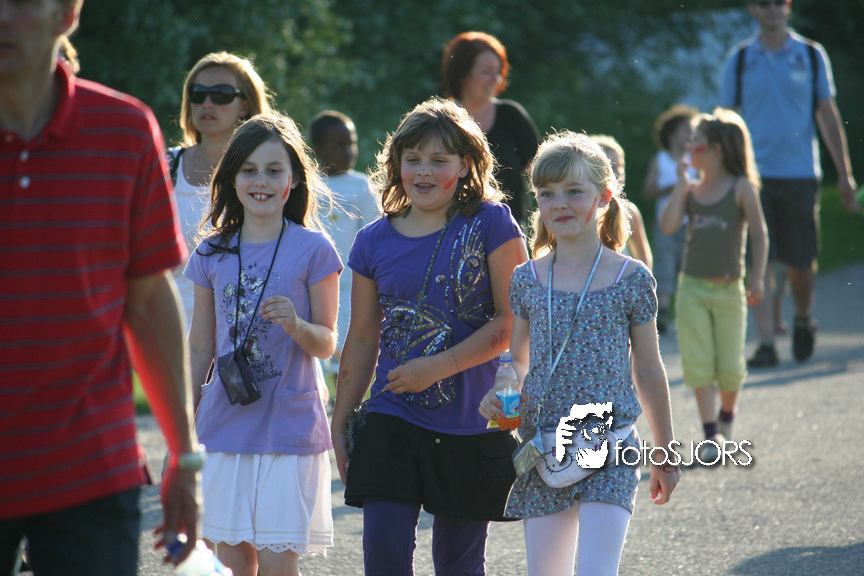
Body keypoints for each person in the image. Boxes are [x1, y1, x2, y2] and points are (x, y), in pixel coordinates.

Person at [0, 1, 201, 574]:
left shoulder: (125, 131)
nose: (2, 17)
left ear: (66, 13)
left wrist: (184, 456)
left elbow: (149, 300)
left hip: (91, 469)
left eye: (21, 0)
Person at [330, 97, 528, 576]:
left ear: (465, 164)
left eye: (439, 160)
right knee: (383, 551)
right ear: (395, 163)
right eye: (412, 158)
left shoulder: (492, 223)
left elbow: (512, 322)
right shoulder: (371, 240)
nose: (423, 171)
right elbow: (362, 339)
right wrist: (339, 422)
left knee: (459, 563)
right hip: (391, 414)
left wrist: (437, 367)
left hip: (473, 421)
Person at [480, 131, 681, 576]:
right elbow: (518, 361)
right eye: (547, 193)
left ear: (604, 196)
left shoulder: (631, 278)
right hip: (543, 448)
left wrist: (665, 450)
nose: (560, 204)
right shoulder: (527, 278)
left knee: (596, 570)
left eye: (574, 191)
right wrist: (500, 395)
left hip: (611, 445)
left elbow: (648, 369)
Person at [185, 113, 340, 576]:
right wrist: (182, 425)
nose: (261, 182)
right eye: (249, 170)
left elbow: (327, 343)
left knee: (277, 563)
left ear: (293, 180)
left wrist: (297, 325)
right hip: (223, 425)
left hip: (287, 428)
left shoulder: (315, 249)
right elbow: (199, 347)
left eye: (274, 171)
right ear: (231, 179)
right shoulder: (211, 251)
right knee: (230, 562)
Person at [721, 0, 859, 367]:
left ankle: (802, 318)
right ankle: (766, 342)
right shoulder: (740, 59)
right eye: (763, 4)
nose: (772, 10)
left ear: (788, 6)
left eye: (777, 3)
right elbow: (727, 120)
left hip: (800, 172)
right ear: (752, 9)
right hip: (752, 175)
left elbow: (827, 114)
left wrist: (844, 173)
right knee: (758, 258)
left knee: (801, 258)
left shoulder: (811, 55)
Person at [658, 109, 768, 458]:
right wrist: (680, 185)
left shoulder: (741, 188)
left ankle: (726, 418)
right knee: (699, 364)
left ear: (716, 149)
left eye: (696, 142)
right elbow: (667, 226)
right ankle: (710, 436)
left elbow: (760, 234)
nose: (689, 147)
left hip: (729, 291)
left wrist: (757, 275)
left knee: (731, 370)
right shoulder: (691, 190)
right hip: (692, 289)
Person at [169, 51, 274, 327]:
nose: (207, 103)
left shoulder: (268, 174)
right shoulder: (163, 166)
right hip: (171, 332)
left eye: (221, 95)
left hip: (246, 336)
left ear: (245, 105)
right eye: (198, 93)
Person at [442, 31, 540, 226]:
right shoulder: (439, 121)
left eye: (499, 71)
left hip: (509, 232)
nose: (496, 79)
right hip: (450, 231)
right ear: (463, 74)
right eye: (487, 71)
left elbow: (544, 175)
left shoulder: (511, 116)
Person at [309, 110, 379, 369]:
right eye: (338, 145)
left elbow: (374, 235)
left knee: (349, 353)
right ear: (318, 150)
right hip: (314, 283)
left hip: (353, 285)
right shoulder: (308, 186)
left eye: (351, 143)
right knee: (318, 351)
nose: (348, 151)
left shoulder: (363, 187)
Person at [641, 103, 699, 334]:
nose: (691, 135)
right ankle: (663, 310)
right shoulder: (661, 159)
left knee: (690, 267)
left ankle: (690, 311)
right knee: (665, 265)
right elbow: (648, 191)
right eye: (686, 130)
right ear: (672, 134)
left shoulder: (696, 160)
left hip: (692, 224)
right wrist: (674, 187)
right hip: (665, 224)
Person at [591, 134, 654, 270]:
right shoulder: (581, 210)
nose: (617, 172)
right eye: (610, 167)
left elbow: (643, 255)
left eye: (620, 166)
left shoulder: (629, 212)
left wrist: (640, 280)